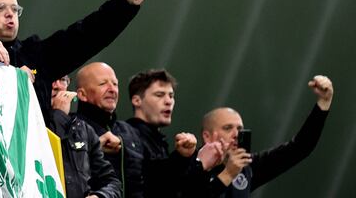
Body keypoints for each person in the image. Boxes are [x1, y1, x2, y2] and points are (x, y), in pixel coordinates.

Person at [0, 0, 148, 127]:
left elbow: (86, 35)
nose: (10, 14)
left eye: (15, 9)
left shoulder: (36, 55)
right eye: (0, 8)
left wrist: (125, 5)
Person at [195, 75, 333, 197]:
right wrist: (227, 175)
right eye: (227, 128)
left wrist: (323, 103)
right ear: (207, 137)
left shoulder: (246, 168)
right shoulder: (189, 168)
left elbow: (299, 148)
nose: (236, 134)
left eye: (240, 129)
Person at [69, 62, 146, 197]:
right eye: (102, 84)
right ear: (82, 94)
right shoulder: (70, 127)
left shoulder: (130, 131)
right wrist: (94, 146)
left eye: (115, 84)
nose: (112, 89)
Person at [125, 69, 205, 197]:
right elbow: (151, 186)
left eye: (171, 96)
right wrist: (184, 158)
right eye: (159, 95)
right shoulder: (128, 137)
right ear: (137, 100)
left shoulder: (157, 140)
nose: (168, 101)